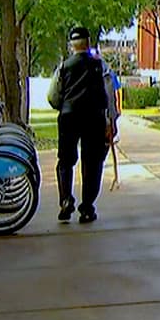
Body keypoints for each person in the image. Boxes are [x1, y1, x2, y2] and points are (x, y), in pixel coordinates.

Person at [47, 27, 118, 223]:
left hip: (69, 117)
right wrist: (111, 121)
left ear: (72, 46)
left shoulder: (63, 67)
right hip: (94, 117)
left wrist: (64, 106)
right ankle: (87, 208)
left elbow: (52, 96)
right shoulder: (100, 66)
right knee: (92, 163)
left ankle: (65, 200)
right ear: (88, 43)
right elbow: (109, 94)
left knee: (65, 160)